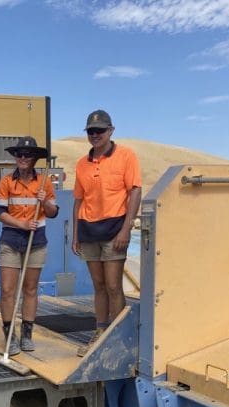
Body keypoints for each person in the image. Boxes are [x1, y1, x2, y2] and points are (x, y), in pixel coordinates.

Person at [72, 110, 142, 356]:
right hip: (89, 230)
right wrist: (75, 234)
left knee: (113, 286)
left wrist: (127, 227)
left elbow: (135, 191)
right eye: (91, 131)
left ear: (111, 130)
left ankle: (119, 339)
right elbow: (78, 200)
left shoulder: (126, 156)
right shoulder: (82, 164)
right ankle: (101, 333)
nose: (95, 135)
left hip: (115, 230)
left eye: (100, 131)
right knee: (98, 286)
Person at [0, 136, 58, 354]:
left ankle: (27, 334)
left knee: (30, 289)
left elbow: (53, 212)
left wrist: (45, 201)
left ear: (35, 159)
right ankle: (9, 334)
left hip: (36, 242)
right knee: (7, 290)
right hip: (11, 241)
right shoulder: (6, 182)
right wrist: (21, 224)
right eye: (19, 154)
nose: (22, 158)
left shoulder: (45, 182)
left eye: (27, 155)